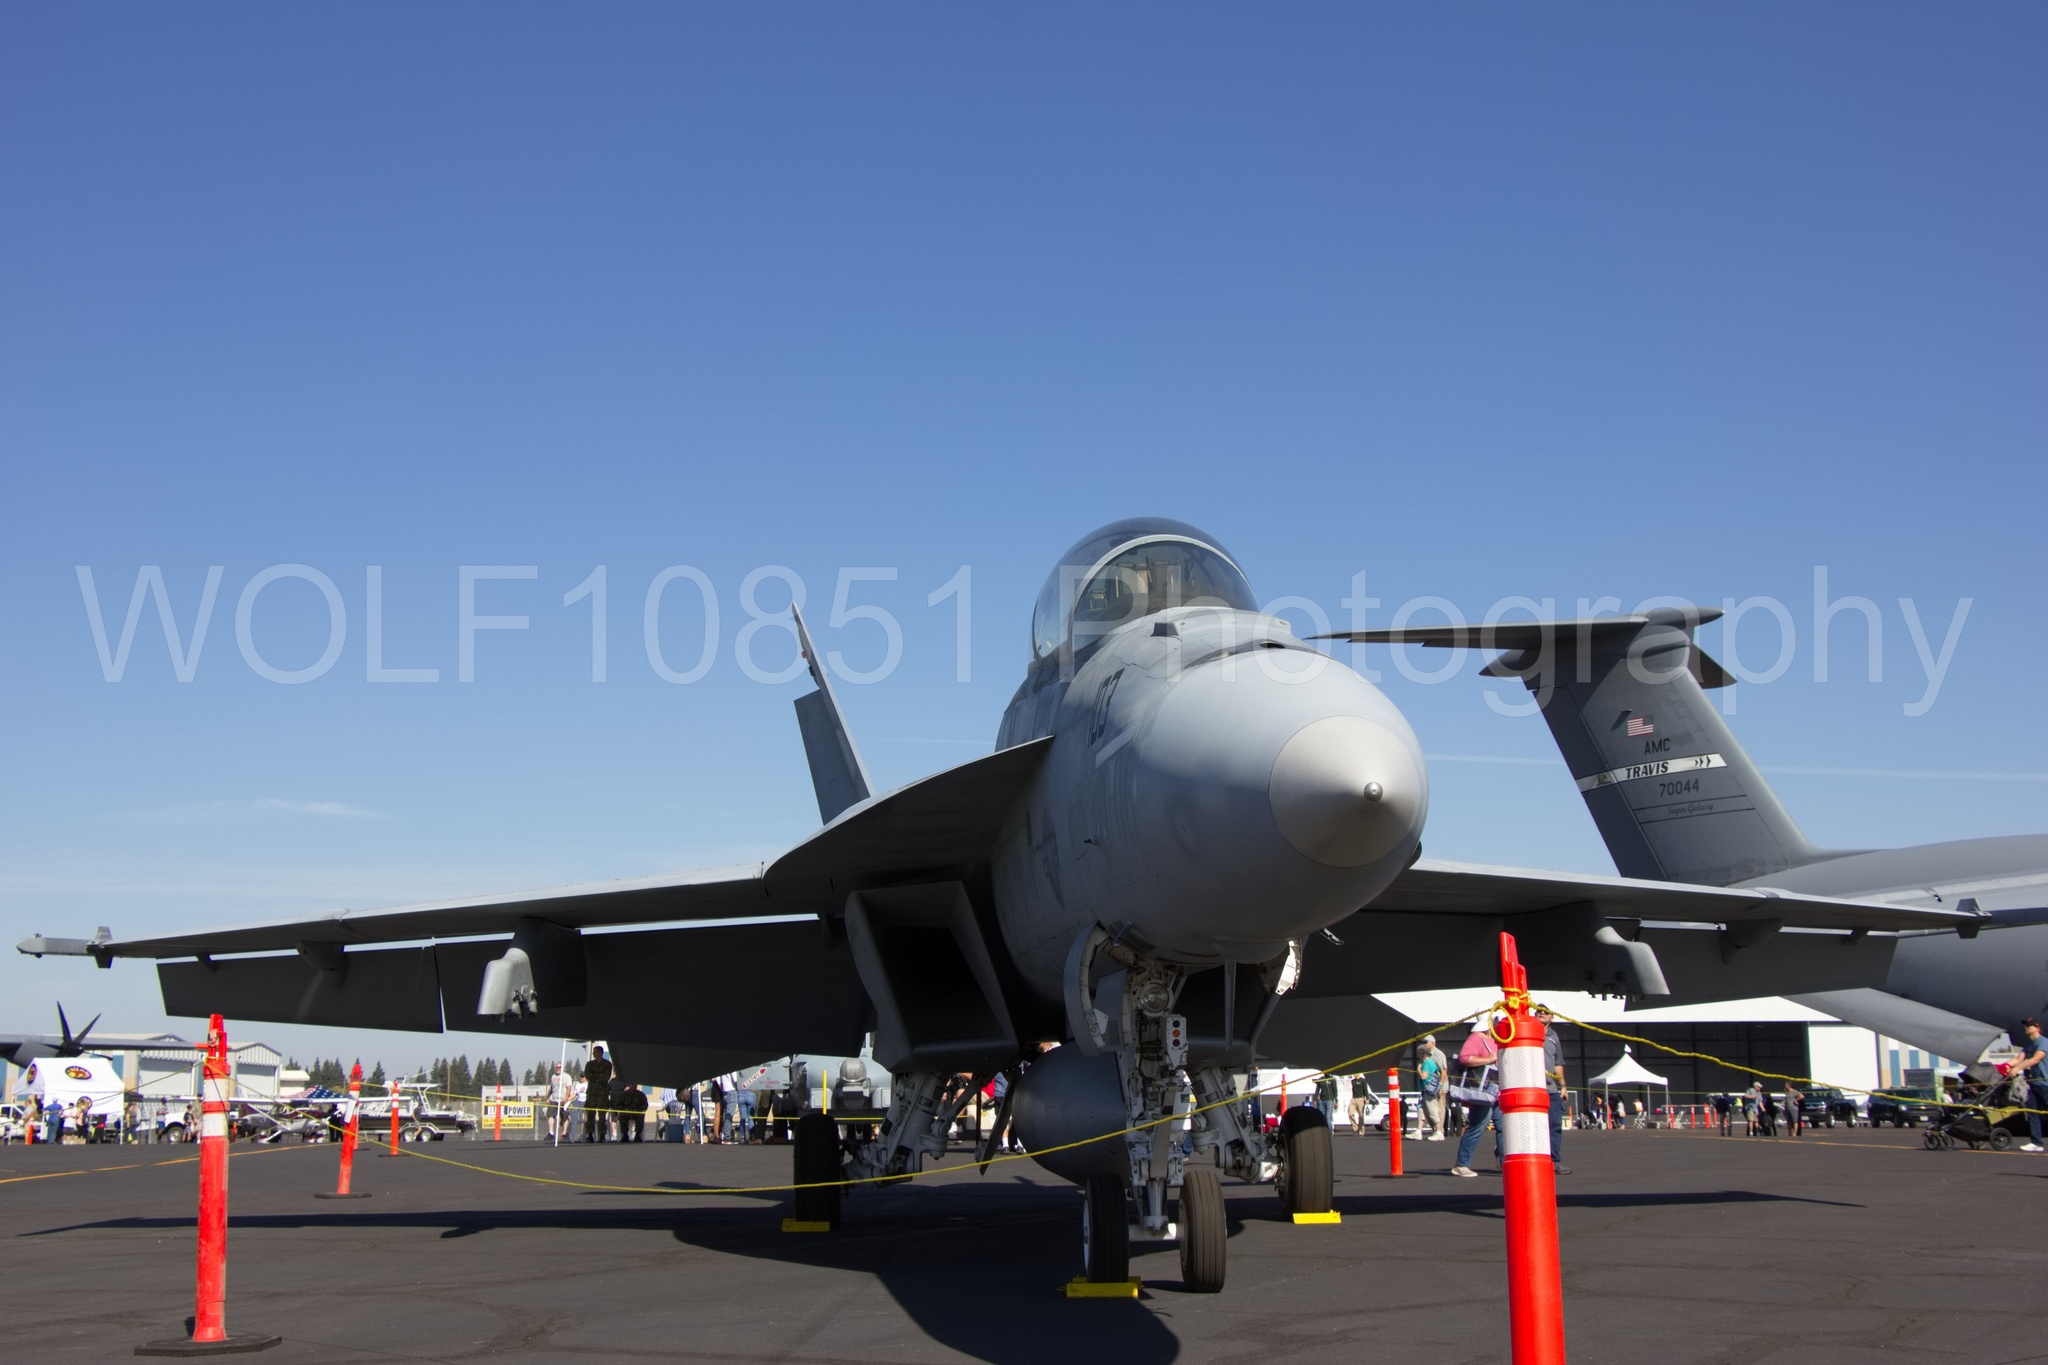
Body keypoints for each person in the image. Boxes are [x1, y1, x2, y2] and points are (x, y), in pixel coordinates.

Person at [1537, 1010, 1571, 1176]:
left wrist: (1563, 1085)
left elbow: (1558, 1063)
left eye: (1545, 1012)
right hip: (1532, 1088)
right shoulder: (1527, 1029)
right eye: (1538, 1011)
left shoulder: (1553, 1036)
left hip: (1550, 1088)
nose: (1541, 1013)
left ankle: (1555, 1161)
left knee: (1555, 1125)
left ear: (1552, 1017)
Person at [2010, 1017, 2048, 1152]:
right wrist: (2005, 1066)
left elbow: (2036, 1059)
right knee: (2032, 1111)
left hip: (2046, 1084)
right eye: (2026, 1025)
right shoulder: (2028, 1044)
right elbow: (2018, 1058)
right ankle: (2036, 1142)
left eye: (2029, 1025)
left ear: (2037, 1027)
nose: (2026, 1027)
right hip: (2035, 1083)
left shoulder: (2043, 1042)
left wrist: (2018, 1068)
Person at [1417, 1037, 1448, 1141]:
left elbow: (1443, 1071)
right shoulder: (1428, 1058)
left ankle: (1440, 1131)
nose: (1424, 1044)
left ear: (1433, 1043)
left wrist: (1440, 1086)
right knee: (1426, 1108)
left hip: (1437, 1085)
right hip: (1430, 1086)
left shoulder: (1438, 1054)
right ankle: (1433, 1130)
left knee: (1438, 1108)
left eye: (1426, 1042)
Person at [581, 1046, 613, 1142]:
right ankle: (589, 1135)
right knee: (590, 1114)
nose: (594, 1054)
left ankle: (602, 1135)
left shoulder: (607, 1064)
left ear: (600, 1053)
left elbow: (606, 1077)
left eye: (595, 1052)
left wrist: (597, 1078)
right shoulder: (589, 1064)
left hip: (602, 1093)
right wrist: (598, 1078)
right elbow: (588, 1076)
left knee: (602, 1115)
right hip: (592, 1093)